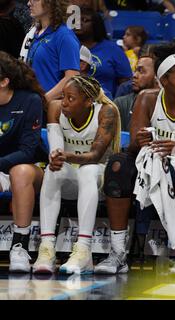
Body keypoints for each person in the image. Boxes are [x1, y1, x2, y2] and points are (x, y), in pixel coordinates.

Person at [94, 45, 175, 276]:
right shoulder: (147, 99)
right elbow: (133, 149)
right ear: (164, 81)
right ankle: (118, 252)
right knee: (118, 164)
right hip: (155, 163)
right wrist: (139, 140)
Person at [33, 75, 121, 274]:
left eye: (70, 98)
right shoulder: (56, 109)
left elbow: (96, 155)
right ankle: (46, 249)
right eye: (63, 96)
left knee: (87, 169)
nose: (63, 102)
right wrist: (57, 157)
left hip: (98, 180)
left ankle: (83, 250)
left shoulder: (106, 111)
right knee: (52, 169)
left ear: (88, 102)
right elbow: (56, 152)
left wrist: (68, 155)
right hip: (71, 180)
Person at [0, 51, 47, 273]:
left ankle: (20, 245)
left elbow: (28, 151)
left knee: (19, 172)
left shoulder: (30, 100)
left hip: (31, 168)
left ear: (4, 82)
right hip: (1, 169)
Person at [25, 0, 80, 102]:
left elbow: (72, 77)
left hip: (51, 107)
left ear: (51, 3)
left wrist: (44, 100)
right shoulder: (35, 33)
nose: (29, 3)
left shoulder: (64, 35)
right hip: (33, 103)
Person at [75, 7, 132, 98]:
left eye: (85, 20)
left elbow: (125, 82)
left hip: (104, 101)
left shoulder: (113, 49)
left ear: (96, 25)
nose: (78, 23)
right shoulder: (67, 47)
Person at [114, 53, 158, 132]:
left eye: (141, 71)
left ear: (156, 76)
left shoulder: (166, 105)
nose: (134, 75)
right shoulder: (120, 104)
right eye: (135, 70)